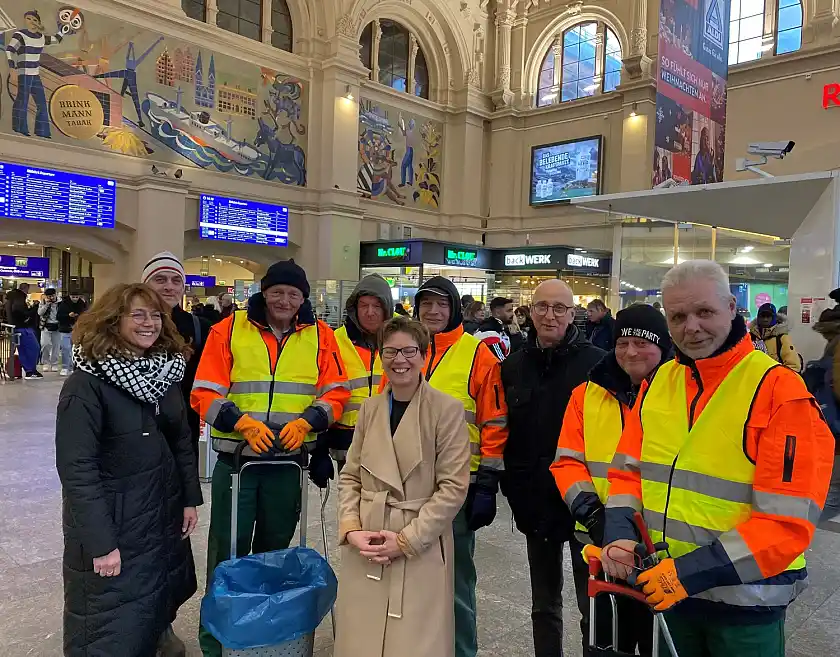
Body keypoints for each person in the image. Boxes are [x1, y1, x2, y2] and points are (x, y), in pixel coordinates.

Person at [601, 260, 833, 657]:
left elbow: (786, 523)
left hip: (746, 605)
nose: (691, 327)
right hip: (670, 593)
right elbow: (627, 473)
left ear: (731, 308)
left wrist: (688, 573)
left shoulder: (780, 391)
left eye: (704, 311)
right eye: (678, 317)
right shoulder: (659, 382)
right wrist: (620, 534)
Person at [191, 259, 350, 657]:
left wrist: (309, 421)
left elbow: (336, 392)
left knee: (274, 553)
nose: (284, 300)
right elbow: (204, 391)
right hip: (237, 464)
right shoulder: (228, 330)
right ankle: (217, 643)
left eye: (293, 294)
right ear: (263, 292)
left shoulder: (321, 336)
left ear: (303, 298)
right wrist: (241, 423)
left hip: (287, 465)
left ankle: (265, 638)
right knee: (226, 552)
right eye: (277, 292)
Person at [55, 283, 202, 657]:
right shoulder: (86, 385)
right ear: (112, 320)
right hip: (116, 520)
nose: (149, 323)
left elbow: (181, 441)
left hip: (160, 512)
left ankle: (157, 636)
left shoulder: (164, 376)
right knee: (108, 621)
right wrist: (101, 543)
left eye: (155, 315)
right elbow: (77, 470)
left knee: (155, 596)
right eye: (137, 314)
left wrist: (189, 498)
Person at [334, 316, 470, 657]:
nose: (400, 360)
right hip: (368, 540)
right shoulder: (369, 409)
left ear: (423, 355)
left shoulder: (447, 410)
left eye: (409, 351)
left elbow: (453, 488)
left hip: (419, 541)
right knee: (361, 638)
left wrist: (408, 540)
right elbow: (350, 476)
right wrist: (351, 528)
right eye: (390, 351)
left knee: (414, 641)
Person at [551, 304, 672, 655]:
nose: (630, 352)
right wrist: (596, 519)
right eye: (622, 343)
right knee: (603, 636)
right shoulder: (586, 394)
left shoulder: (681, 395)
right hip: (596, 541)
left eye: (642, 343)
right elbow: (567, 463)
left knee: (658, 639)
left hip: (660, 547)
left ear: (663, 346)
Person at [500, 279, 605, 657]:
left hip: (585, 507)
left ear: (572, 314)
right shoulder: (513, 366)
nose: (550, 315)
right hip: (535, 504)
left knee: (592, 605)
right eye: (542, 307)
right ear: (530, 312)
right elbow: (506, 431)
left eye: (559, 308)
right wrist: (513, 489)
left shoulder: (598, 364)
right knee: (544, 605)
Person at [405, 276, 507, 657]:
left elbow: (494, 422)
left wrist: (488, 484)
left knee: (456, 579)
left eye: (441, 304)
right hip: (408, 484)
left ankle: (462, 650)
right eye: (426, 304)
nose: (433, 311)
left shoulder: (477, 355)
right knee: (411, 576)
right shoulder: (406, 349)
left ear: (453, 309)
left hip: (456, 487)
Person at [317, 274, 394, 486]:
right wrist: (320, 448)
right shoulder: (335, 340)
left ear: (387, 309)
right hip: (346, 444)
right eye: (363, 305)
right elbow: (321, 391)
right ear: (354, 308)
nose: (370, 312)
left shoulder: (400, 340)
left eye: (377, 306)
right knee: (350, 502)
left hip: (391, 444)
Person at [143, 252, 212, 457]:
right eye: (160, 279)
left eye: (176, 280)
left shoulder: (200, 327)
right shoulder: (128, 324)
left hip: (185, 425)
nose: (169, 286)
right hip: (138, 424)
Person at [4, 283, 42, 379]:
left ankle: (29, 370)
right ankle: (31, 370)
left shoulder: (10, 297)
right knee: (34, 348)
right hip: (22, 327)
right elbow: (20, 312)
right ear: (26, 289)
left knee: (23, 350)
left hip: (14, 327)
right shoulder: (19, 297)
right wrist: (34, 308)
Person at [751, 302, 801, 371]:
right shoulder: (750, 337)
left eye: (768, 316)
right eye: (763, 316)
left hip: (775, 376)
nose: (765, 319)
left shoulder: (781, 338)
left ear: (774, 318)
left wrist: (779, 376)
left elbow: (793, 365)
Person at [56, 293, 87, 375]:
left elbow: (85, 316)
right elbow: (58, 316)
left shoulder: (82, 305)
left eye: (77, 297)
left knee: (77, 349)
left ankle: (73, 366)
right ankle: (65, 367)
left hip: (77, 330)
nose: (75, 299)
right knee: (66, 348)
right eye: (73, 297)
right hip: (65, 329)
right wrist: (68, 316)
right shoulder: (63, 304)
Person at [38, 287, 61, 371]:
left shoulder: (60, 303)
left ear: (55, 295)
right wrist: (46, 305)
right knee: (45, 344)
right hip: (45, 326)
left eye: (52, 296)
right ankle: (45, 362)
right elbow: (40, 313)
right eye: (48, 296)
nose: (51, 298)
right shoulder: (43, 302)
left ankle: (54, 363)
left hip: (57, 326)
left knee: (56, 346)